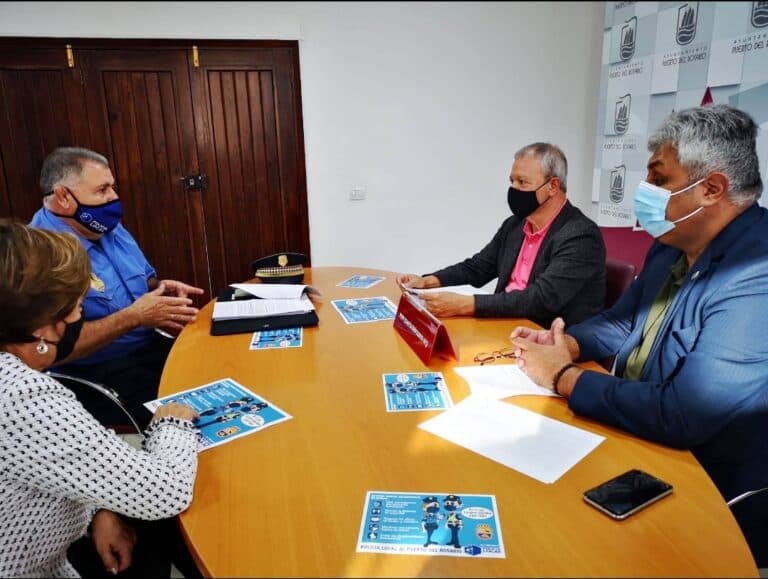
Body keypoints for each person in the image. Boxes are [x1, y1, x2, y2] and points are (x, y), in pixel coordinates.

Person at [509, 105, 768, 566]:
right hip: (637, 437)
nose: (645, 192)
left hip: (709, 483)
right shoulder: (674, 245)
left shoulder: (756, 273)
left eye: (660, 179)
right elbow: (622, 322)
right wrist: (567, 344)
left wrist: (564, 377)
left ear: (711, 189)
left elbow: (687, 414)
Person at [0, 219, 201, 578]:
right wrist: (173, 422)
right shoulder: (23, 397)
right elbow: (164, 491)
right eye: (76, 309)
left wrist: (99, 509)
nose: (80, 317)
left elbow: (47, 460)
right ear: (43, 330)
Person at [29, 147, 204, 428]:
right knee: (193, 422)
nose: (113, 197)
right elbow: (49, 349)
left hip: (149, 347)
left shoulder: (104, 225)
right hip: (99, 373)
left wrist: (160, 288)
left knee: (215, 378)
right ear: (63, 197)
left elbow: (142, 279)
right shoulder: (40, 254)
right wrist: (135, 316)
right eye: (102, 190)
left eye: (112, 187)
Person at [396, 143, 606, 327]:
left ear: (552, 186)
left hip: (545, 339)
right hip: (504, 325)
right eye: (512, 181)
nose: (513, 189)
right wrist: (429, 281)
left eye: (522, 183)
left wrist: (465, 304)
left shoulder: (580, 236)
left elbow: (541, 299)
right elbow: (478, 268)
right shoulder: (515, 225)